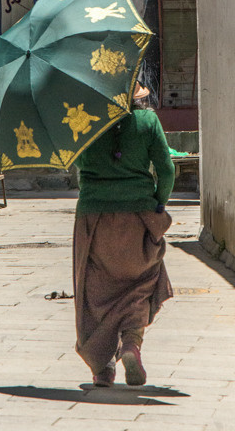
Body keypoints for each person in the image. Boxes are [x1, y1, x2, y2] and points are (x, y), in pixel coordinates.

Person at [72, 81, 175, 388]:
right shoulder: (147, 120)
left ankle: (101, 367)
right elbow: (166, 169)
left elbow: (77, 161)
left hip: (94, 219)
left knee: (92, 292)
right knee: (141, 284)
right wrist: (158, 203)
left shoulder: (81, 120)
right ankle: (131, 344)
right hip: (139, 217)